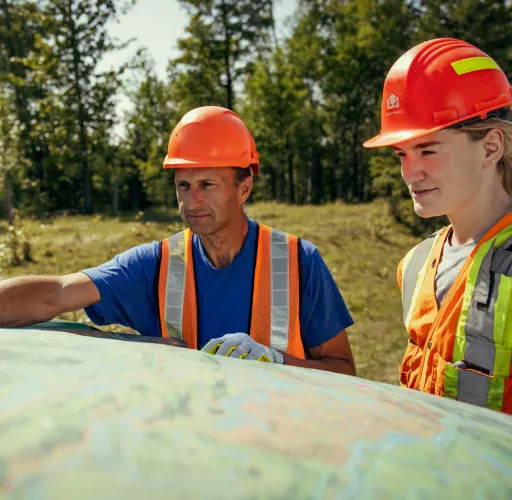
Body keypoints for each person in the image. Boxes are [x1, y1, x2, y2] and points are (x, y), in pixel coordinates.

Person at [0, 106, 356, 375]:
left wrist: (277, 361)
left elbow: (344, 369)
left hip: (279, 448)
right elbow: (57, 293)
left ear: (243, 187)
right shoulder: (155, 264)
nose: (191, 201)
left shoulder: (298, 261)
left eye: (207, 185)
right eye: (183, 186)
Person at [363, 38, 512, 413]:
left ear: (491, 148)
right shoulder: (414, 265)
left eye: (428, 150)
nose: (409, 173)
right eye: (402, 154)